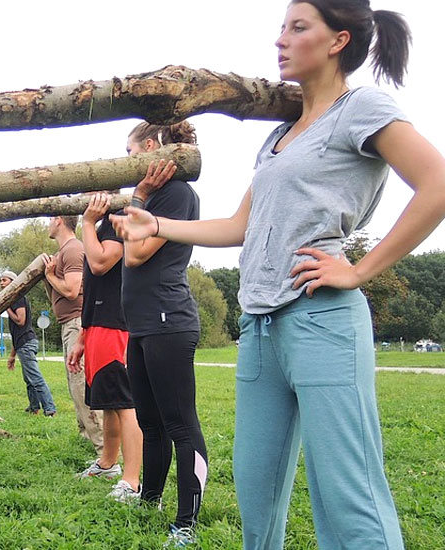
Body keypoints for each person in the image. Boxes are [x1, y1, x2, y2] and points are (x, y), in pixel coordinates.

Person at [113, 3, 445, 548]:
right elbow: (241, 224)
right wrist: (159, 223)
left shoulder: (361, 107)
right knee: (257, 493)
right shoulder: (279, 137)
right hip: (260, 326)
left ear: (338, 41)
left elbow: (435, 184)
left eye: (297, 27)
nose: (280, 40)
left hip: (321, 319)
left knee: (347, 496)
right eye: (281, 27)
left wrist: (359, 269)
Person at [110, 120, 206, 547]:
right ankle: (151, 499)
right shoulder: (158, 196)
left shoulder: (177, 194)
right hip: (143, 324)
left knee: (180, 424)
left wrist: (140, 199)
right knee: (150, 422)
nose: (128, 163)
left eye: (130, 154)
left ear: (150, 148)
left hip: (170, 320)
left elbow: (136, 254)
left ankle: (186, 521)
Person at [67, 193, 143, 500]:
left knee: (125, 404)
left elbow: (99, 264)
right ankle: (108, 464)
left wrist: (85, 221)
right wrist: (83, 337)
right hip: (97, 325)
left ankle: (132, 480)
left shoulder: (114, 223)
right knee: (110, 402)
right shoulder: (98, 229)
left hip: (115, 324)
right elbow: (95, 284)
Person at [43, 215, 104, 458]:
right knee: (74, 385)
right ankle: (87, 439)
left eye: (50, 218)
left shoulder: (73, 249)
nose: (47, 223)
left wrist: (49, 277)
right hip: (68, 323)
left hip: (78, 324)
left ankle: (104, 452)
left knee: (81, 386)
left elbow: (70, 290)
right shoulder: (63, 252)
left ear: (59, 220)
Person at [0, 270, 56, 416]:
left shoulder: (18, 298)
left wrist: (6, 308)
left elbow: (20, 320)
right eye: (0, 281)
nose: (1, 283)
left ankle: (50, 409)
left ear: (13, 281)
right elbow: (16, 335)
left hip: (27, 343)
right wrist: (12, 356)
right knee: (28, 378)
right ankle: (34, 407)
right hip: (22, 343)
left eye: (4, 280)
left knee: (35, 377)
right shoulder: (13, 299)